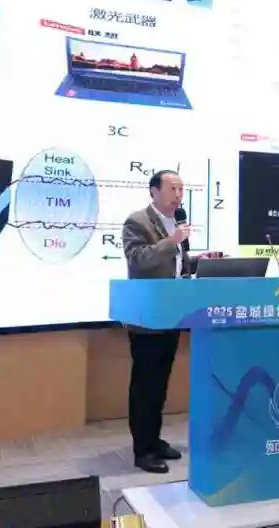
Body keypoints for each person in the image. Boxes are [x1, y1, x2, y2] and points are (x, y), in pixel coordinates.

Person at [121, 169, 221, 473]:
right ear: (154, 191)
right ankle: (142, 450)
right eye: (172, 189)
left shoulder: (177, 223)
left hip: (173, 314)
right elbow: (138, 260)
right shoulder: (138, 221)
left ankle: (154, 440)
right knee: (145, 386)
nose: (178, 195)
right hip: (147, 318)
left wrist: (200, 260)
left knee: (160, 384)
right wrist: (172, 241)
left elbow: (176, 265)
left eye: (181, 189)